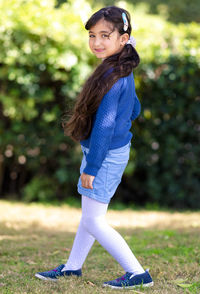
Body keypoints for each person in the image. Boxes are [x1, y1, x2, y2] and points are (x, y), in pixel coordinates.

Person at [35, 5, 154, 289]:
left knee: (94, 221)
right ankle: (73, 267)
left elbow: (104, 128)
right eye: (92, 35)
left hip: (104, 156)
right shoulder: (118, 70)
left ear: (123, 39)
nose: (97, 42)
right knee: (90, 217)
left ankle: (138, 274)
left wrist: (92, 167)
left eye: (105, 35)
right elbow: (134, 109)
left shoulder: (114, 77)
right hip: (105, 153)